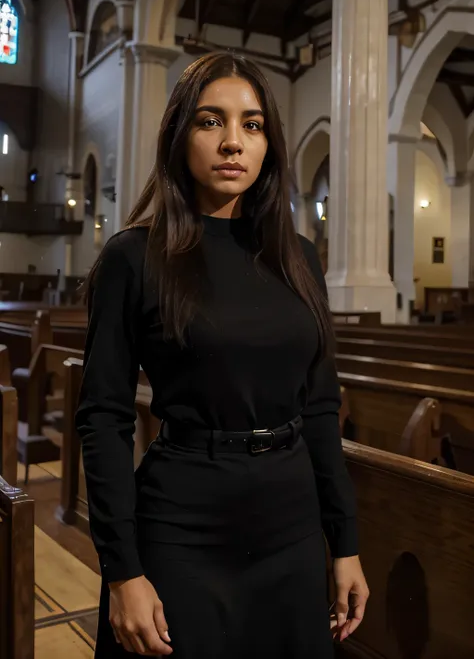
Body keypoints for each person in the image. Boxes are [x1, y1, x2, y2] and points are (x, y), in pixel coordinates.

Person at [76, 52, 369, 659]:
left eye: (252, 125)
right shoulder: (135, 258)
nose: (233, 142)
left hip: (289, 524)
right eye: (211, 121)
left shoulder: (298, 258)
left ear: (269, 146)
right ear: (180, 135)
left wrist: (345, 542)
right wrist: (122, 570)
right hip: (184, 525)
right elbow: (104, 416)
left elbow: (319, 408)